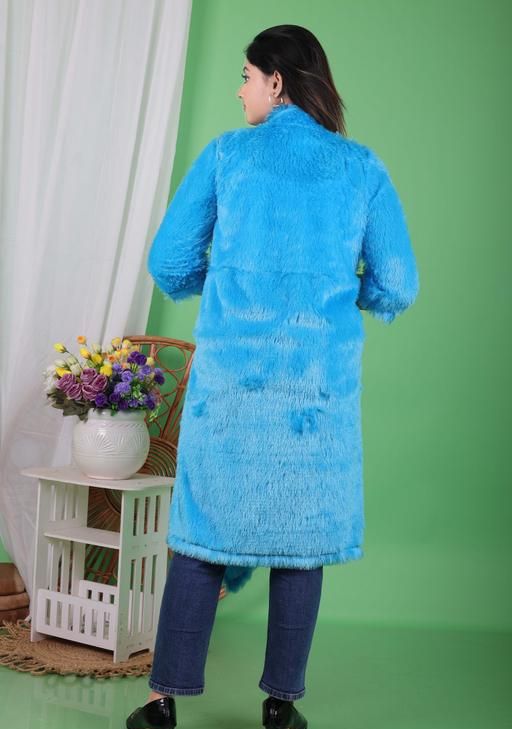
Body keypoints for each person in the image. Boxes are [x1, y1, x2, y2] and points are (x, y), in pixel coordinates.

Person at [126, 23, 419, 729]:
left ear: (276, 81)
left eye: (247, 76)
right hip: (315, 403)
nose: (240, 90)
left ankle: (162, 702)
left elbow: (169, 262)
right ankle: (282, 705)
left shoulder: (227, 156)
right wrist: (340, 294)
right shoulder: (360, 168)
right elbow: (397, 284)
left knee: (200, 542)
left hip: (229, 396)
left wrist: (224, 286)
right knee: (301, 548)